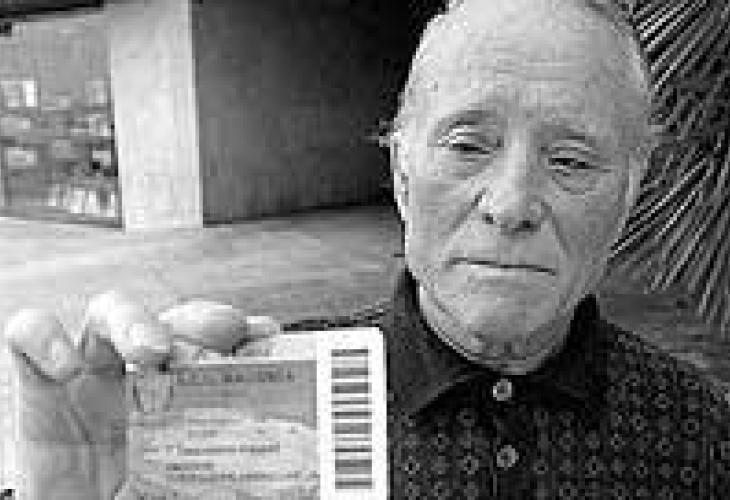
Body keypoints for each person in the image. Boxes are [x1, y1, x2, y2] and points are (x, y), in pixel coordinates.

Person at [4, 0, 730, 498]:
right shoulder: (246, 412)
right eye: (468, 145)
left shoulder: (699, 434)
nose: (510, 204)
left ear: (629, 193)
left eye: (570, 160)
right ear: (402, 175)